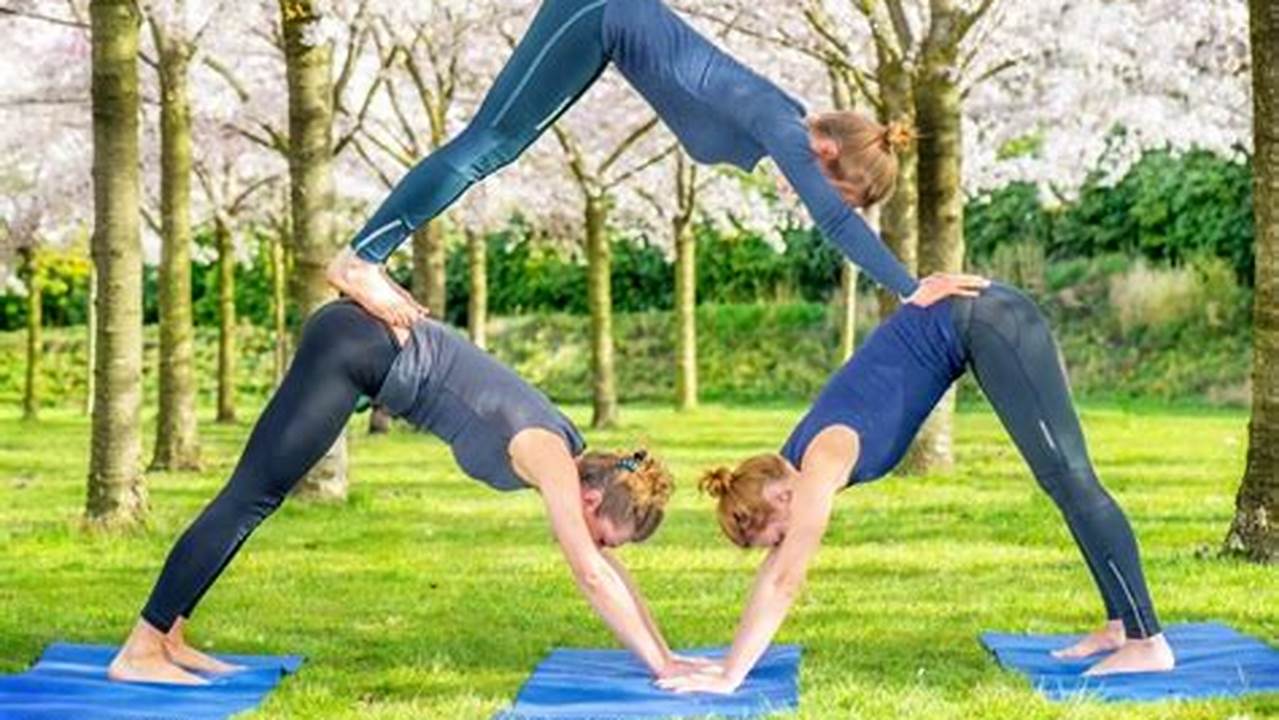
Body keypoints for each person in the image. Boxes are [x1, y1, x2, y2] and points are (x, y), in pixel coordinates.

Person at [108, 301, 695, 684]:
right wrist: (660, 665)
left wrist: (666, 657)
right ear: (592, 501)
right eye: (599, 535)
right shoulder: (550, 456)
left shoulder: (574, 453)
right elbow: (591, 574)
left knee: (257, 498)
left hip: (365, 344)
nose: (594, 546)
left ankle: (169, 637)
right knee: (252, 495)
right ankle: (142, 647)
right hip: (357, 349)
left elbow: (611, 571)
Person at [660, 281, 1175, 694]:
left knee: (1070, 478)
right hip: (971, 321)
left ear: (780, 498)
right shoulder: (785, 468)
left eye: (773, 536)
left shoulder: (821, 458)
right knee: (1062, 484)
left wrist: (730, 678)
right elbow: (777, 570)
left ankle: (1147, 640)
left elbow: (785, 579)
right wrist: (729, 661)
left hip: (990, 322)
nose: (778, 547)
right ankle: (1119, 625)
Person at [326, 0, 948, 327]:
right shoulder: (783, 127)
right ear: (827, 153)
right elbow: (837, 227)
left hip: (603, 26)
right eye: (827, 188)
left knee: (499, 144)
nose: (808, 196)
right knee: (491, 141)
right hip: (599, 10)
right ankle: (363, 259)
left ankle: (369, 258)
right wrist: (912, 288)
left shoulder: (776, 120)